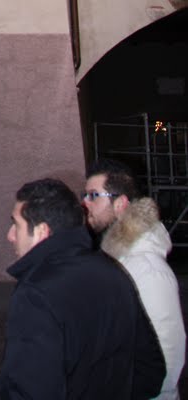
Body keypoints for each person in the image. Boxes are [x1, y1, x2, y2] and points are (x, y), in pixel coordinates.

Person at [0, 177, 165, 399]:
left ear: (42, 231)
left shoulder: (36, 294)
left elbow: (28, 390)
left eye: (16, 224)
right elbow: (150, 374)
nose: (10, 235)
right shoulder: (114, 273)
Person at [83, 158, 186, 400]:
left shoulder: (148, 269)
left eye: (93, 195)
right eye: (85, 195)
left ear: (120, 204)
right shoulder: (116, 259)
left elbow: (167, 355)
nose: (85, 203)